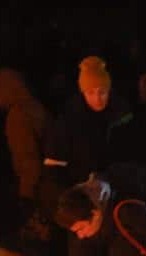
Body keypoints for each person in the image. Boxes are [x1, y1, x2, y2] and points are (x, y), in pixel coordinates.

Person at [43, 57, 133, 191]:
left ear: (109, 91)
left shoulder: (122, 116)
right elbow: (54, 166)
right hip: (82, 193)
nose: (97, 98)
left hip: (118, 191)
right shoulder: (68, 121)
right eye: (90, 92)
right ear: (83, 93)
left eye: (102, 92)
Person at [0, 69, 46, 237]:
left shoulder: (18, 115)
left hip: (36, 191)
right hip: (43, 186)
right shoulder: (35, 106)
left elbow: (27, 158)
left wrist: (26, 194)